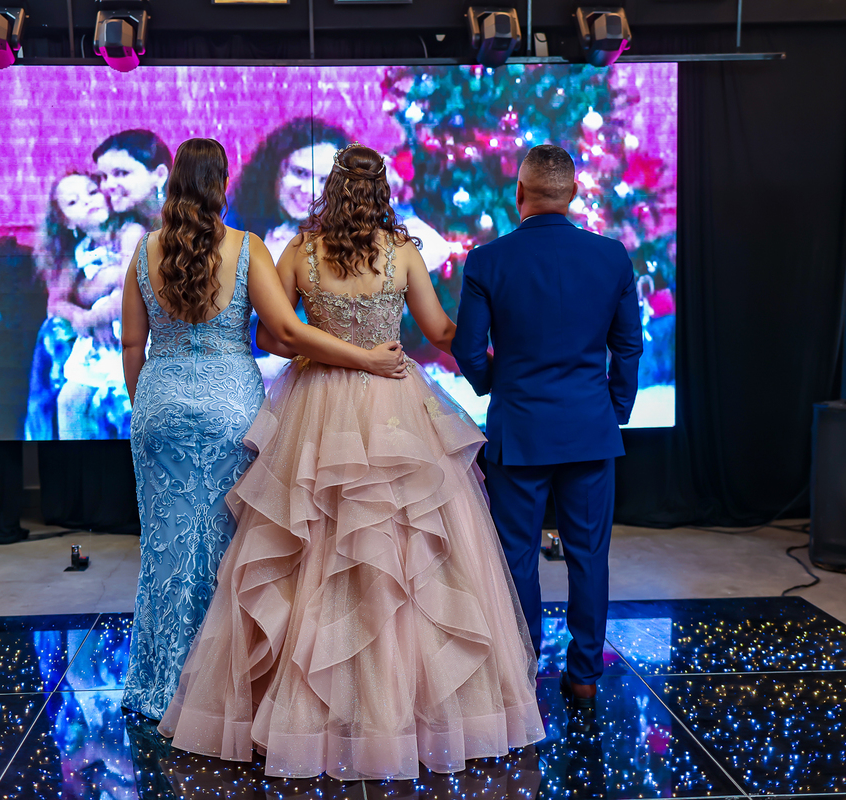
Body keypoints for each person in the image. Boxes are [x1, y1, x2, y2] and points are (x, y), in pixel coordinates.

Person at [158, 145, 544, 780]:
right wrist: (511, 353)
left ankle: (306, 715)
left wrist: (326, 351)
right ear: (382, 191)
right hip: (394, 399)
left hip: (317, 403)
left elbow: (271, 335)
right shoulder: (403, 253)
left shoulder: (300, 251)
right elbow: (441, 333)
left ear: (331, 190)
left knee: (310, 545)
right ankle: (404, 714)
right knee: (409, 548)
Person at [119, 139, 409, 723]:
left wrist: (145, 401)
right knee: (234, 551)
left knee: (164, 548)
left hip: (159, 408)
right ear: (222, 185)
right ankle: (222, 693)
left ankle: (159, 688)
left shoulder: (143, 250)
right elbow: (286, 333)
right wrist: (366, 359)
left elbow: (131, 343)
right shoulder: (247, 247)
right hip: (231, 409)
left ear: (172, 184)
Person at [452, 144, 643, 714]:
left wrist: (500, 385)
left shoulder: (487, 261)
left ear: (519, 194)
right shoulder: (612, 257)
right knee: (589, 556)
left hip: (521, 431)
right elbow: (627, 347)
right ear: (574, 193)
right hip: (589, 429)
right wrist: (614, 409)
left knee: (517, 558)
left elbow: (468, 350)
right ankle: (584, 677)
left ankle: (522, 673)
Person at [24, 171, 131, 440]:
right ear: (66, 220)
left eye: (92, 192)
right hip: (99, 339)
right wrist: (81, 317)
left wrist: (98, 315)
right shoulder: (79, 252)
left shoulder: (130, 233)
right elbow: (55, 302)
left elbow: (133, 284)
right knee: (68, 402)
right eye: (73, 202)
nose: (86, 201)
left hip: (136, 329)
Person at [228, 117, 349, 265]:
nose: (308, 190)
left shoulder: (351, 237)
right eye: (300, 172)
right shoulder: (228, 219)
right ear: (273, 169)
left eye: (325, 180)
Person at [94, 129, 172, 241]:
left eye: (121, 173)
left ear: (160, 175)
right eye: (103, 176)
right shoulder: (121, 228)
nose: (107, 186)